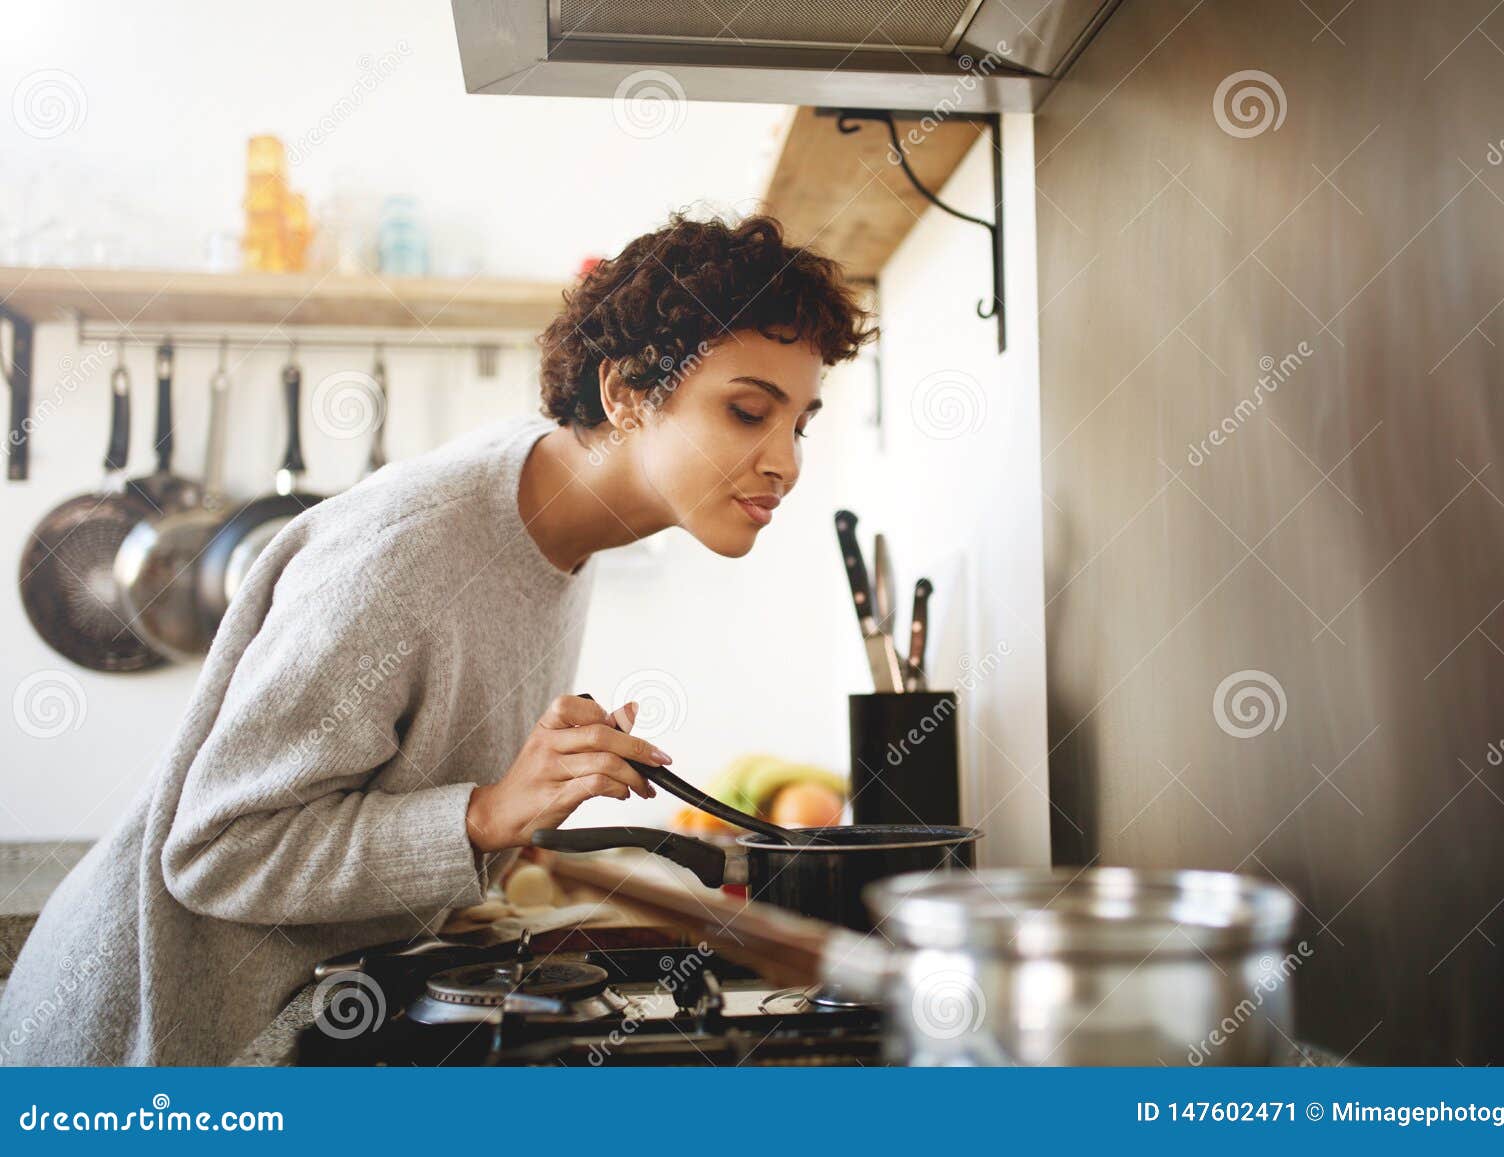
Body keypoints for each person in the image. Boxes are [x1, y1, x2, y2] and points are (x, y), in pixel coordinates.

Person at [0, 212, 874, 1065]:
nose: (787, 460)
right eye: (749, 411)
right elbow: (217, 851)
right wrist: (487, 813)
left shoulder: (565, 517)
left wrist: (515, 811)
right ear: (627, 393)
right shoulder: (407, 551)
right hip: (138, 1042)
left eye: (799, 421)